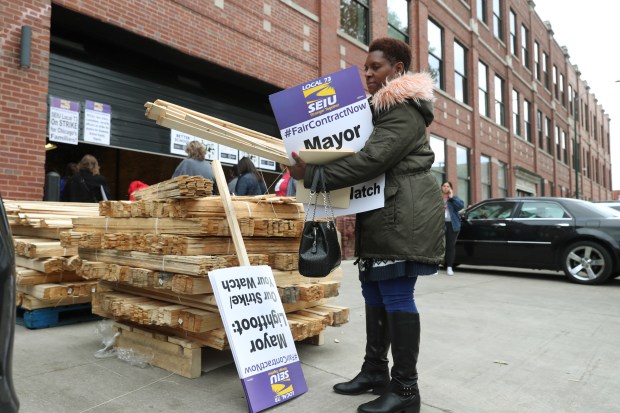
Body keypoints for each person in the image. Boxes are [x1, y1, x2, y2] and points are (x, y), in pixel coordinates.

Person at [289, 38, 444, 413]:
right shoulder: (378, 112)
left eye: (376, 67)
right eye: (366, 68)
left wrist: (312, 173)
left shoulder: (403, 109)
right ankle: (376, 371)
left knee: (395, 295)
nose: (369, 73)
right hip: (383, 212)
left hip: (402, 215)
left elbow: (371, 161)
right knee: (374, 293)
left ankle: (406, 390)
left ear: (399, 69)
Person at [442, 181, 465, 276]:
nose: (446, 187)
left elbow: (460, 206)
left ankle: (449, 267)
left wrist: (451, 198)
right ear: (441, 188)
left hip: (452, 225)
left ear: (450, 188)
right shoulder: (437, 198)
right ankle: (435, 266)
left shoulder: (454, 198)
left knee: (450, 246)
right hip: (440, 224)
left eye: (448, 186)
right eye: (444, 186)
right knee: (437, 246)